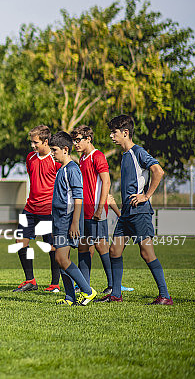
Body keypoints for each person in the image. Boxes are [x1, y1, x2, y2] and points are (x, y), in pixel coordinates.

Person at [98, 115, 172, 305]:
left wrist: (146, 196)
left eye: (114, 132)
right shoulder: (124, 155)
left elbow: (158, 171)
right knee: (115, 250)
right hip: (126, 213)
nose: (111, 136)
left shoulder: (138, 152)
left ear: (125, 133)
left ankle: (165, 296)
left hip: (140, 212)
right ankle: (115, 294)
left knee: (147, 253)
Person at [48, 131, 97, 306]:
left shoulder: (72, 169)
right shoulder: (61, 170)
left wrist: (75, 222)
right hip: (59, 221)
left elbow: (78, 198)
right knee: (60, 259)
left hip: (68, 221)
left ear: (65, 150)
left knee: (61, 258)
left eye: (54, 150)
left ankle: (88, 291)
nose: (52, 153)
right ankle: (70, 297)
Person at [71, 125, 121, 293]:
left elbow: (106, 182)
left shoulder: (97, 156)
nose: (75, 144)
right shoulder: (83, 159)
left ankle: (113, 285)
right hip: (84, 212)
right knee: (83, 247)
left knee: (101, 247)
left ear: (88, 139)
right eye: (74, 141)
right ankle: (84, 285)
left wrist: (100, 209)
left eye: (78, 140)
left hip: (95, 212)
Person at [12, 125, 62, 293]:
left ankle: (55, 284)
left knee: (51, 246)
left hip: (49, 210)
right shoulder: (30, 158)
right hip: (30, 208)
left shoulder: (56, 160)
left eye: (35, 142)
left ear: (46, 141)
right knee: (20, 242)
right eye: (31, 142)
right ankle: (30, 281)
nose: (32, 146)